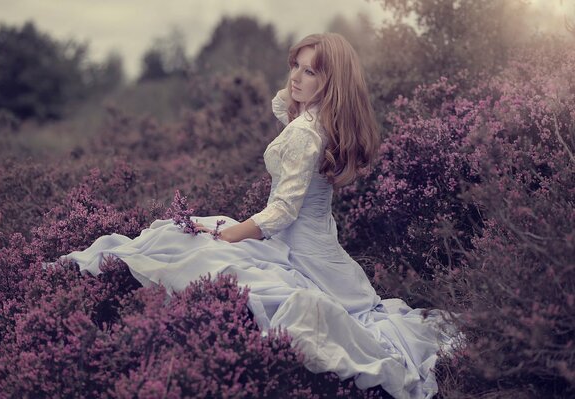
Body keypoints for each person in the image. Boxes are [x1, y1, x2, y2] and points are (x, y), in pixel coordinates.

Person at [60, 33, 454, 399]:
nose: (296, 78)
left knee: (196, 246)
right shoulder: (320, 124)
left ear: (330, 83)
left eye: (310, 71)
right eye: (295, 66)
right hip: (314, 244)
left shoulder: (306, 133)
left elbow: (283, 210)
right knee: (189, 239)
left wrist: (231, 236)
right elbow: (285, 106)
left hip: (302, 250)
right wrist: (306, 85)